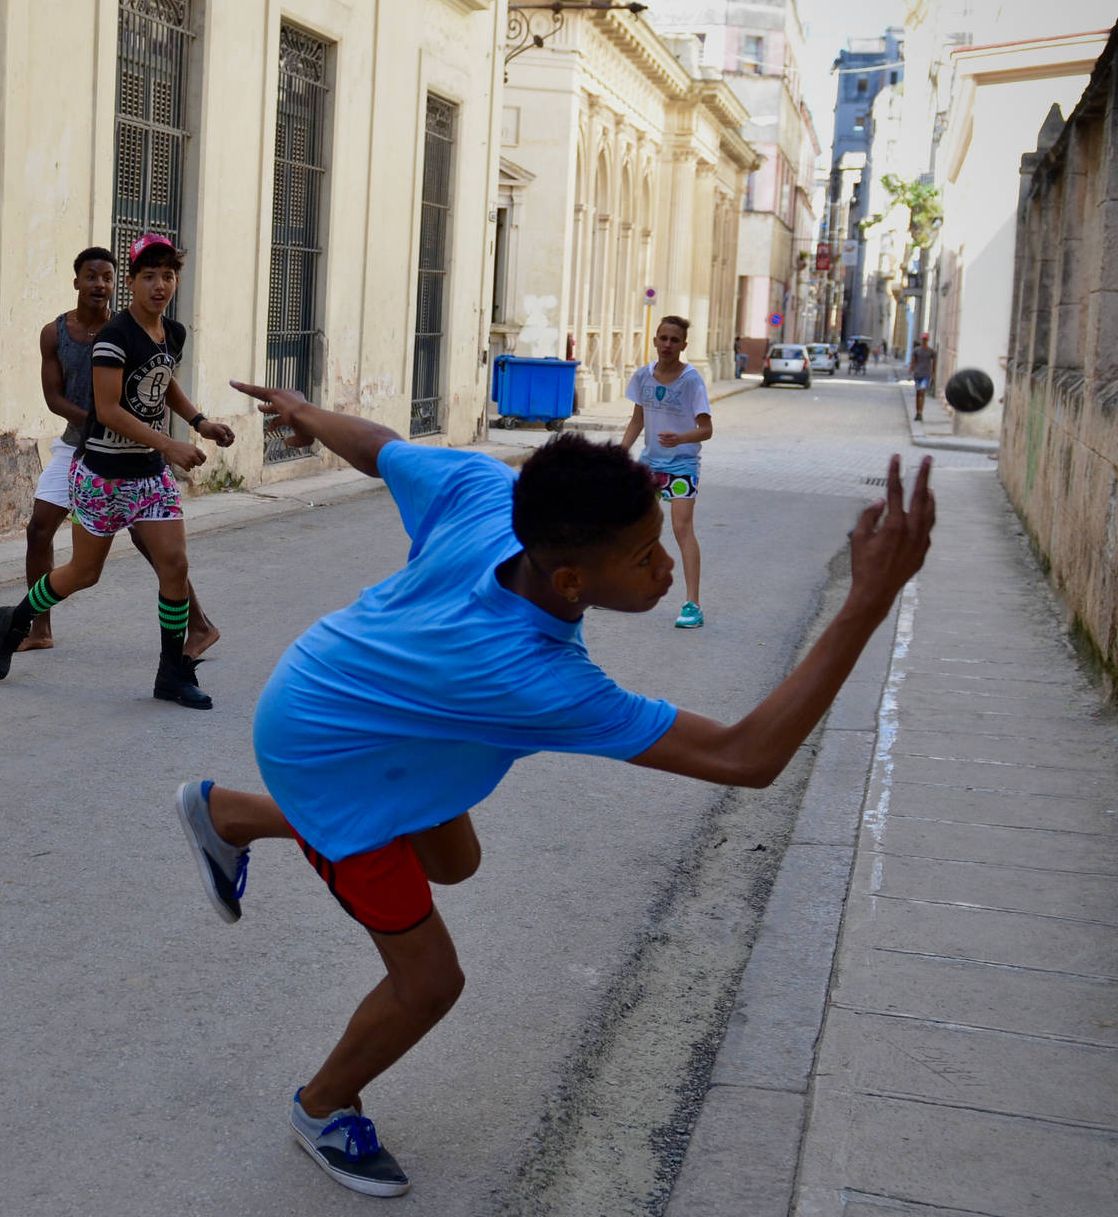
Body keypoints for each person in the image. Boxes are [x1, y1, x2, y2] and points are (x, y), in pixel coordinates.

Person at [173, 382, 934, 1198]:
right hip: (331, 754)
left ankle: (230, 814)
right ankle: (322, 1107)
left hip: (343, 685)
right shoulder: (534, 679)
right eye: (646, 558)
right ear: (571, 581)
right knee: (430, 982)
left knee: (454, 861)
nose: (667, 567)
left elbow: (381, 448)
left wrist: (307, 412)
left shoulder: (491, 491)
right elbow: (747, 756)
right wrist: (868, 600)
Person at [0, 234, 234, 708]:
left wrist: (200, 421)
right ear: (133, 284)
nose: (160, 285)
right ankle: (12, 620)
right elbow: (109, 409)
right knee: (83, 572)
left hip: (150, 475)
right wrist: (170, 443)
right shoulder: (112, 338)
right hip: (101, 475)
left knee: (175, 565)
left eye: (168, 275)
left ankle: (171, 674)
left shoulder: (172, 333)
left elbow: (164, 379)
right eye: (149, 276)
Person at [18, 247, 217, 656]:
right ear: (77, 282)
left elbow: (161, 378)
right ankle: (36, 628)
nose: (99, 285)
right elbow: (56, 399)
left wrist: (197, 422)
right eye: (92, 277)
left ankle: (192, 635)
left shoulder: (137, 328)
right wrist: (101, 421)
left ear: (115, 283)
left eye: (106, 277)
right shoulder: (58, 333)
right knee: (44, 533)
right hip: (81, 447)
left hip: (135, 454)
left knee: (162, 550)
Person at [620, 316, 712, 630]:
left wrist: (680, 437)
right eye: (663, 338)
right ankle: (622, 586)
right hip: (650, 464)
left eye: (675, 340)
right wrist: (621, 452)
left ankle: (693, 604)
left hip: (683, 465)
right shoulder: (644, 376)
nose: (668, 345)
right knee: (632, 524)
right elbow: (637, 421)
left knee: (681, 528)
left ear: (684, 345)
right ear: (655, 340)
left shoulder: (691, 380)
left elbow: (707, 429)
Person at [909, 334, 936, 421]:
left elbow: (934, 364)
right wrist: (910, 371)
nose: (924, 341)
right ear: (921, 339)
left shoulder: (931, 351)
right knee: (918, 393)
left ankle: (920, 412)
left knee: (922, 392)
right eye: (923, 339)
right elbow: (913, 362)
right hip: (917, 374)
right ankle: (917, 412)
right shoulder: (916, 350)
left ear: (927, 340)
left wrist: (933, 376)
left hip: (926, 375)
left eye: (925, 339)